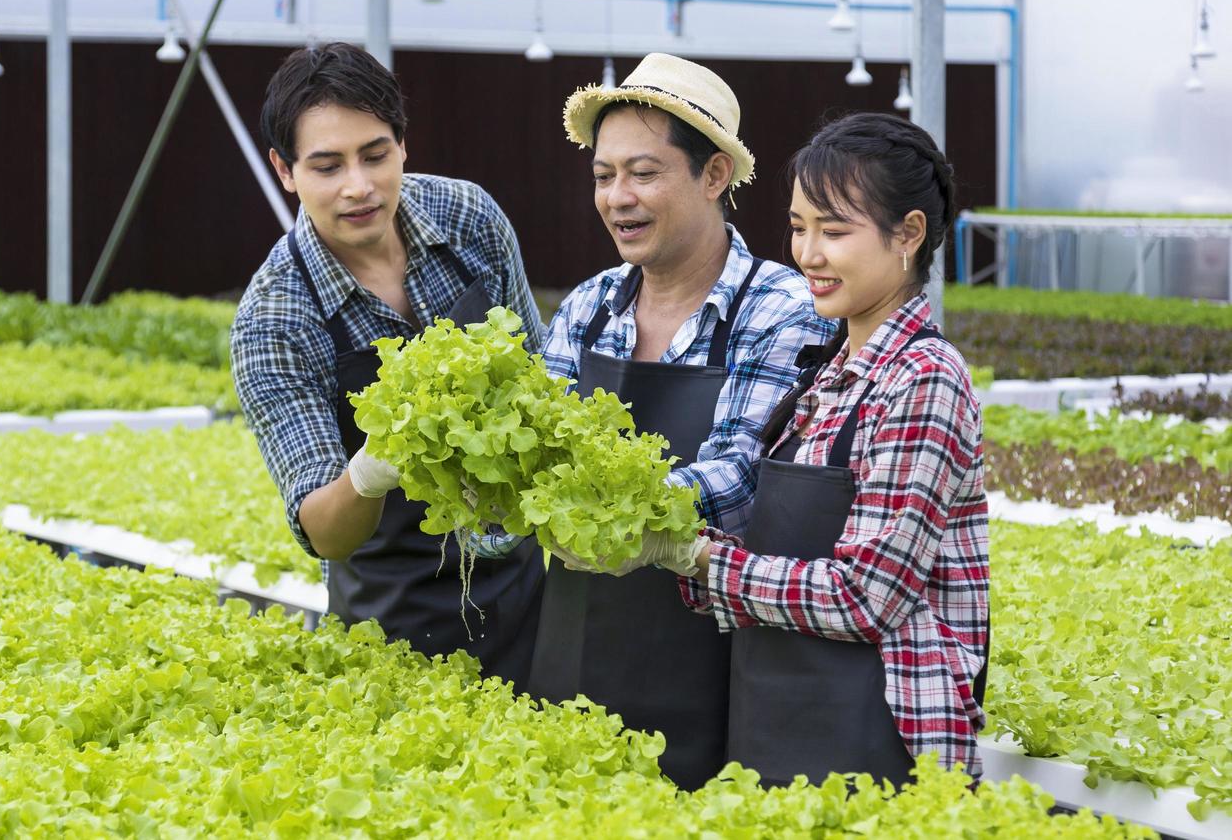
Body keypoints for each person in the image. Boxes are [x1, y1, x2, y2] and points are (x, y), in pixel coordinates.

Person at [605, 111, 990, 786]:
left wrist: (698, 558)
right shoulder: (824, 373)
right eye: (799, 226)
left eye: (834, 230)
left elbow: (864, 597)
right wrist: (660, 538)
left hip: (878, 738)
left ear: (908, 234)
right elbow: (774, 553)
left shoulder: (923, 378)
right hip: (779, 722)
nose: (808, 253)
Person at [527, 54, 834, 790]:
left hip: (709, 672)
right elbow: (532, 459)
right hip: (570, 654)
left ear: (715, 176)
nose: (617, 197)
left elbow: (741, 476)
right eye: (603, 175)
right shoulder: (590, 305)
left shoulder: (780, 310)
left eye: (644, 172)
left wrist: (603, 515)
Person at [230, 42, 546, 690]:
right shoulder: (273, 319)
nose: (358, 186)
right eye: (327, 166)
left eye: (375, 155)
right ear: (284, 171)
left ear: (403, 143)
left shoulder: (471, 220)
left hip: (531, 593)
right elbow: (322, 527)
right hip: (397, 622)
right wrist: (372, 470)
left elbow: (542, 379)